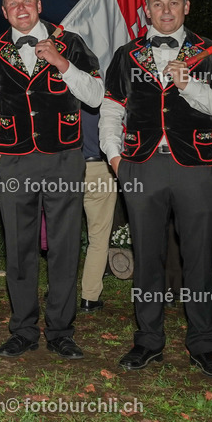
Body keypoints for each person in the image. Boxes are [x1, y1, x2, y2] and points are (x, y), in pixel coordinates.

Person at [99, 0, 212, 378]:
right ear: (146, 11)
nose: (165, 11)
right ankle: (148, 341)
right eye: (157, 4)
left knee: (199, 259)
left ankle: (203, 344)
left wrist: (189, 84)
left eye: (173, 3)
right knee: (146, 260)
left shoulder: (211, 53)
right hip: (141, 166)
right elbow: (111, 109)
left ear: (186, 7)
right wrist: (115, 160)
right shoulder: (126, 55)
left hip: (196, 167)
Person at [0, 0, 103, 359]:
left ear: (39, 4)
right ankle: (24, 329)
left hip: (64, 156)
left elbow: (95, 95)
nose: (21, 9)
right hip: (15, 161)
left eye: (26, 1)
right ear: (4, 12)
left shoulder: (71, 42)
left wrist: (62, 65)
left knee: (64, 245)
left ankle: (61, 330)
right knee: (19, 246)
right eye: (13, 4)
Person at [78, 106, 117, 312]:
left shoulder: (59, 91)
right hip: (99, 168)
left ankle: (57, 289)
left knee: (63, 235)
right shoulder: (104, 95)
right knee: (99, 236)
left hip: (66, 170)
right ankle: (89, 297)